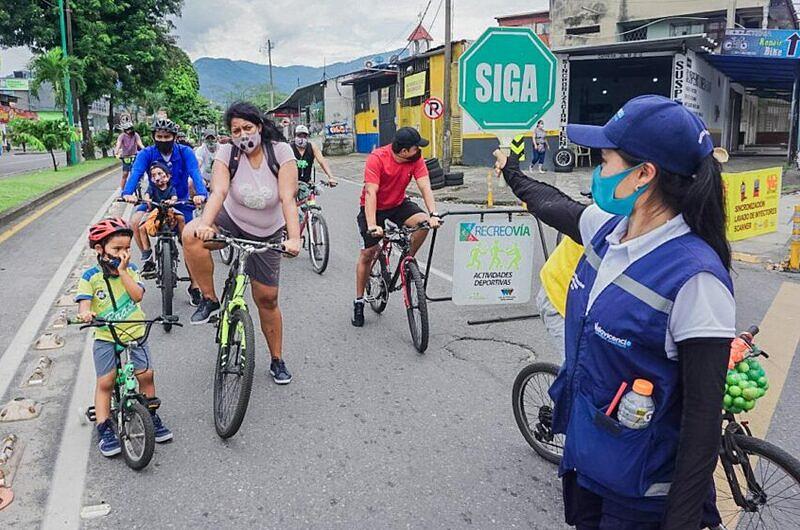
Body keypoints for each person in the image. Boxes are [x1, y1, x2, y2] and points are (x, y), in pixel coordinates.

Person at [495, 95, 734, 530]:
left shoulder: (696, 280)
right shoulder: (608, 229)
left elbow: (702, 424)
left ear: (644, 174)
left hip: (642, 492)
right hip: (589, 461)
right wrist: (511, 172)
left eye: (604, 160)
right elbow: (551, 204)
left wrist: (680, 522)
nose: (597, 173)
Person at [182, 101, 301, 385]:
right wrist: (206, 224)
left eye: (247, 127)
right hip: (231, 220)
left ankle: (276, 359)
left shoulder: (281, 152)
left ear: (259, 126)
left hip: (267, 232)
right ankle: (209, 299)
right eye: (236, 130)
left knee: (267, 299)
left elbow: (287, 197)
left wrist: (294, 238)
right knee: (190, 235)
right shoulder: (227, 152)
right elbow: (219, 190)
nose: (243, 134)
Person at [76, 218, 173, 457]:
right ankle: (103, 426)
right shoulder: (90, 277)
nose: (123, 253)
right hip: (106, 336)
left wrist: (122, 272)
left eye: (127, 248)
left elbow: (138, 295)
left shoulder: (131, 270)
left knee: (146, 375)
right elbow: (84, 304)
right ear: (100, 250)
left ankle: (151, 415)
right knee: (106, 382)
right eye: (116, 249)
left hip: (134, 333)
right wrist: (85, 313)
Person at [352, 127, 441, 327]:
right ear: (403, 151)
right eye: (415, 147)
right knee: (368, 254)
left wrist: (433, 213)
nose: (419, 150)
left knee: (423, 224)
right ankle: (358, 301)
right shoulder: (377, 158)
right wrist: (373, 225)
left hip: (398, 204)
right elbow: (371, 193)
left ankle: (408, 261)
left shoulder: (416, 158)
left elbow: (425, 186)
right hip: (374, 208)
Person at [122, 118, 207, 306]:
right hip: (153, 202)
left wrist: (201, 193)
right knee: (135, 221)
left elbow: (195, 173)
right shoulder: (146, 153)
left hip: (181, 203)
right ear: (153, 137)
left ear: (174, 137)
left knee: (190, 242)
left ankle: (195, 286)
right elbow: (135, 173)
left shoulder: (185, 152)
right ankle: (147, 257)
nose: (163, 139)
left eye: (167, 136)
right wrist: (127, 193)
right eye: (159, 136)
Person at [136, 161, 185, 276]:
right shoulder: (152, 188)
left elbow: (174, 197)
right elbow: (147, 195)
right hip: (155, 211)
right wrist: (147, 200)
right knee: (141, 228)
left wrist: (172, 201)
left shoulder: (171, 187)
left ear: (168, 176)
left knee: (181, 218)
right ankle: (147, 253)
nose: (157, 178)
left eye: (160, 173)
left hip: (169, 210)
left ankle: (183, 238)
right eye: (153, 175)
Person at [115, 122, 144, 191]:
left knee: (135, 172)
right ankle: (122, 190)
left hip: (134, 155)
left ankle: (138, 184)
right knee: (125, 174)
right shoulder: (122, 136)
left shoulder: (135, 135)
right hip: (125, 156)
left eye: (130, 129)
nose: (129, 131)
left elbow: (140, 143)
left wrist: (145, 150)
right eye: (127, 130)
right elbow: (118, 144)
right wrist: (116, 153)